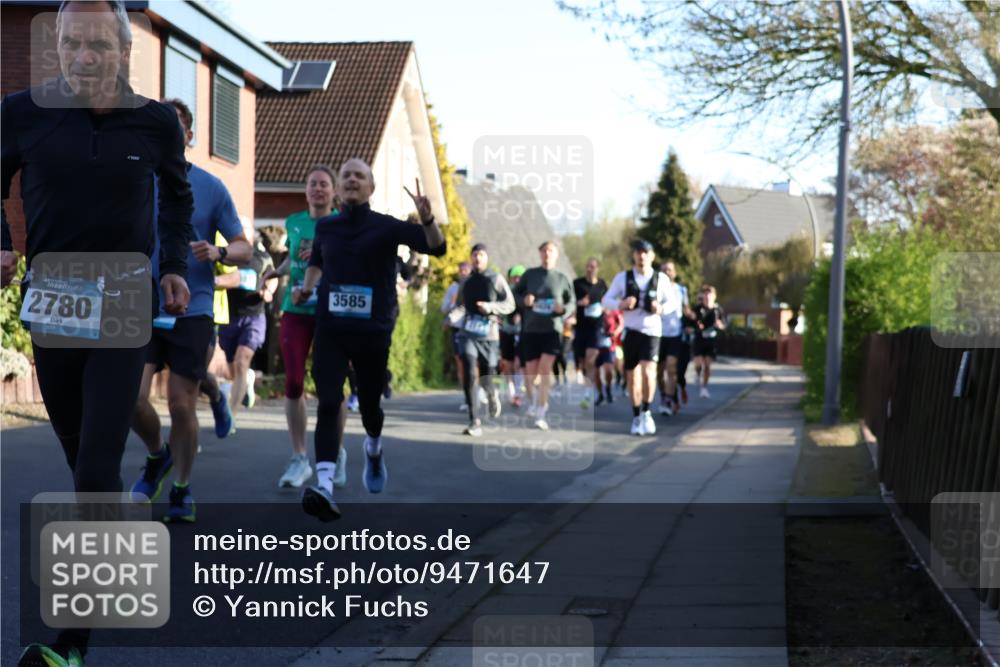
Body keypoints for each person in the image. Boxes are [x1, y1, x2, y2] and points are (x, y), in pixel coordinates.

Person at [1, 2, 194, 664]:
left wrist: (171, 268)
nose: (84, 57)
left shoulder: (155, 122)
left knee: (94, 464)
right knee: (81, 455)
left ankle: (74, 639)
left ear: (123, 50)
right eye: (72, 44)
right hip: (52, 299)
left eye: (98, 45)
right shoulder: (21, 113)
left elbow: (177, 197)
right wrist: (3, 242)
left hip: (120, 298)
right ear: (57, 47)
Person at [293, 160, 446, 521]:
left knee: (372, 408)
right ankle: (325, 486)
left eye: (359, 175)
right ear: (339, 186)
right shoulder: (326, 227)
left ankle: (373, 448)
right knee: (329, 402)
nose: (351, 180)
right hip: (331, 328)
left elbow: (436, 248)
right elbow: (316, 262)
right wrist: (307, 287)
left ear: (371, 188)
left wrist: (427, 219)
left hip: (372, 332)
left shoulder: (387, 227)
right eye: (346, 175)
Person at [129, 98, 252, 523]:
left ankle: (180, 489)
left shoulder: (212, 187)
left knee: (181, 403)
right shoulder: (134, 180)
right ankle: (157, 456)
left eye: (175, 126)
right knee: (131, 397)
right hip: (138, 303)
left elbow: (244, 248)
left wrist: (219, 250)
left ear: (189, 137)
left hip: (192, 307)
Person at [259, 165, 347, 489]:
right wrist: (276, 272)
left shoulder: (342, 223)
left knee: (331, 387)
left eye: (324, 184)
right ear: (306, 189)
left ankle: (335, 452)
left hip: (330, 312)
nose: (318, 189)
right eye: (313, 184)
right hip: (295, 309)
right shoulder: (294, 222)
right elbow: (295, 260)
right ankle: (299, 458)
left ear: (334, 192)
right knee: (294, 382)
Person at [601, 240, 677, 436]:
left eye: (645, 252)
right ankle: (636, 417)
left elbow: (672, 303)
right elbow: (606, 300)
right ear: (634, 255)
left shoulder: (661, 279)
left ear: (652, 256)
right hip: (631, 331)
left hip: (652, 331)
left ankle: (647, 412)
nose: (641, 256)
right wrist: (622, 303)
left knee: (649, 372)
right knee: (632, 377)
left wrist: (660, 308)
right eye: (638, 252)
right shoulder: (622, 278)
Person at [512, 241, 575, 431]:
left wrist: (562, 310)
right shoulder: (530, 275)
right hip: (531, 329)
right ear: (540, 254)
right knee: (531, 373)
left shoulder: (562, 279)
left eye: (551, 251)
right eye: (544, 251)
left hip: (552, 330)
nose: (547, 254)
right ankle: (536, 401)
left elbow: (571, 303)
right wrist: (523, 301)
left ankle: (541, 411)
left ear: (556, 255)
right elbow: (513, 294)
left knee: (544, 370)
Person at [218, 216, 277, 415]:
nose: (240, 233)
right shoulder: (224, 255)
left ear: (251, 233)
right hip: (229, 316)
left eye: (244, 229)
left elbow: (271, 276)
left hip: (254, 316)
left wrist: (269, 290)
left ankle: (231, 414)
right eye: (236, 229)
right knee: (231, 369)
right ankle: (246, 381)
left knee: (242, 360)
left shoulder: (259, 256)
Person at [456, 243, 515, 436]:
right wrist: (452, 316)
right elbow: (460, 306)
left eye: (481, 255)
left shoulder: (495, 279)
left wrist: (490, 307)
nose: (477, 258)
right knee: (469, 372)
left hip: (489, 335)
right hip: (468, 333)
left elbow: (510, 304)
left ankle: (492, 394)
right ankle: (474, 421)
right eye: (474, 255)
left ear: (486, 257)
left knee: (486, 378)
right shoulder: (465, 281)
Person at [573, 257, 608, 408]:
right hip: (580, 327)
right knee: (583, 363)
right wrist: (579, 303)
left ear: (598, 268)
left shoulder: (602, 285)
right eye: (588, 266)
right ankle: (599, 391)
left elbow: (609, 302)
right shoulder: (577, 284)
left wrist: (604, 308)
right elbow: (569, 301)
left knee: (590, 360)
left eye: (593, 267)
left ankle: (588, 393)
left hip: (596, 328)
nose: (590, 269)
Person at [657, 260, 690, 415]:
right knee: (658, 372)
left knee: (671, 368)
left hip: (675, 335)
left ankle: (669, 399)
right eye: (663, 270)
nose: (667, 272)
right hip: (657, 334)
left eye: (669, 269)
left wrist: (692, 319)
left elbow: (686, 310)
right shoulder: (655, 289)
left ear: (674, 272)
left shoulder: (681, 290)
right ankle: (664, 395)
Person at [442, 261, 472, 410]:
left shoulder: (475, 285)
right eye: (462, 270)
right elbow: (444, 308)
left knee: (473, 362)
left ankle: (477, 392)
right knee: (461, 362)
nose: (464, 272)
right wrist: (452, 303)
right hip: (457, 328)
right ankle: (467, 396)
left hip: (472, 329)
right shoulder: (453, 288)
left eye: (466, 270)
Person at [692, 284, 726, 398]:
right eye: (705, 295)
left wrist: (720, 325)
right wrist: (696, 325)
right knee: (698, 363)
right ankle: (697, 374)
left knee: (707, 365)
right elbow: (691, 322)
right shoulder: (697, 308)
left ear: (714, 296)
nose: (707, 297)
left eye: (710, 295)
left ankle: (704, 388)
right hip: (699, 339)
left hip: (711, 341)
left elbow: (723, 325)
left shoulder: (718, 310)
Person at [499, 265, 526, 406]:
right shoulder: (505, 292)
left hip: (522, 332)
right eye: (515, 276)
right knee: (508, 363)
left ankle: (518, 393)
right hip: (506, 330)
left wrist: (522, 317)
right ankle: (511, 391)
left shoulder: (527, 292)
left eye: (520, 276)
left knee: (519, 363)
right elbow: (500, 309)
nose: (517, 279)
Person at [594, 307, 624, 405]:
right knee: (596, 373)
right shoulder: (595, 310)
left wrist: (615, 332)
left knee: (608, 371)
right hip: (595, 346)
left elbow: (621, 324)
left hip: (609, 346)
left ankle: (608, 389)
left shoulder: (614, 311)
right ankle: (600, 394)